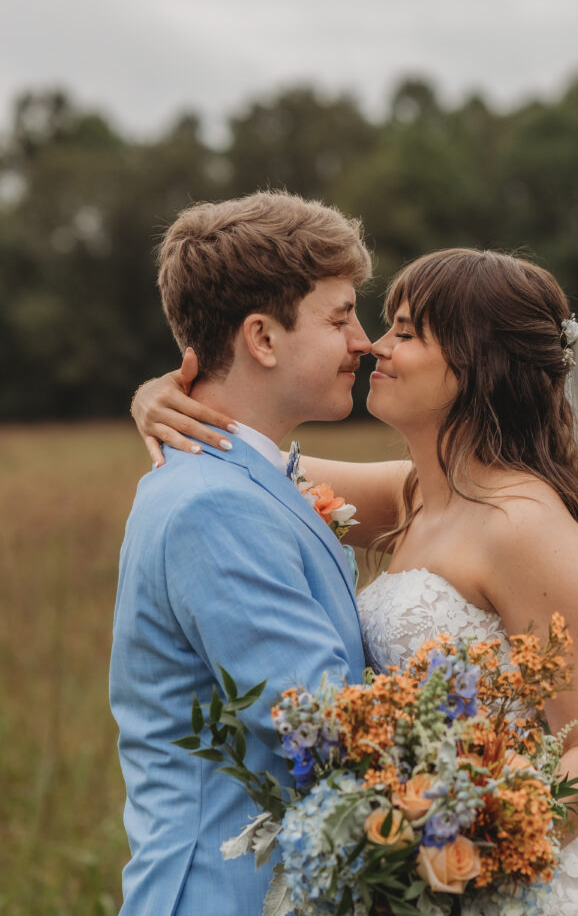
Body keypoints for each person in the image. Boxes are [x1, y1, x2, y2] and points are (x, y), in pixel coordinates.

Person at [133, 248, 578, 916]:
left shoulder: (524, 526)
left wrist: (460, 866)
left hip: (502, 884)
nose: (374, 346)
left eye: (405, 332)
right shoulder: (415, 495)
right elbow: (249, 461)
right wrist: (158, 397)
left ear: (477, 364)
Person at [110, 190, 373, 916]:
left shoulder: (245, 477)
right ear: (262, 338)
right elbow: (324, 725)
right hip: (223, 894)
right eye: (340, 318)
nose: (364, 341)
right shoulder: (213, 503)